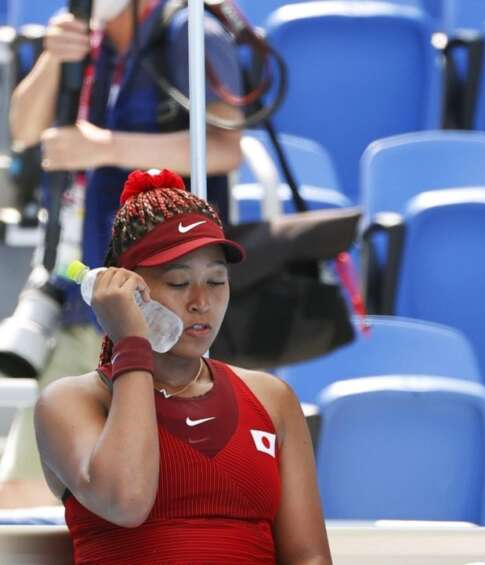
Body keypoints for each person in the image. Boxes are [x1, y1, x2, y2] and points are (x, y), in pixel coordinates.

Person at [0, 0, 242, 507]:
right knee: (29, 488)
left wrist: (106, 147)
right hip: (81, 288)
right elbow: (23, 131)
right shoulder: (88, 37)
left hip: (164, 305)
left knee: (162, 488)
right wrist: (52, 58)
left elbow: (223, 148)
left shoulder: (191, 30)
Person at [33, 169, 331, 564]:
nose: (200, 302)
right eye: (177, 282)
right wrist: (132, 342)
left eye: (216, 281)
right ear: (126, 289)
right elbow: (127, 500)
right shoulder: (68, 402)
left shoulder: (271, 398)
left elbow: (309, 558)